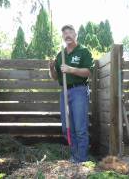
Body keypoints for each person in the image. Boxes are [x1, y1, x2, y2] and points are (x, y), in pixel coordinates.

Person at [48, 24, 94, 163]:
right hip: (64, 92)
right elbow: (55, 77)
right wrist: (51, 68)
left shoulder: (83, 51)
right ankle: (74, 157)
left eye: (70, 32)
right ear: (63, 37)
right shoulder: (60, 54)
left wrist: (71, 69)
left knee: (80, 128)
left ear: (75, 34)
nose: (67, 35)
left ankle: (83, 160)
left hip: (79, 90)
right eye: (64, 33)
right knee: (66, 127)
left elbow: (88, 72)